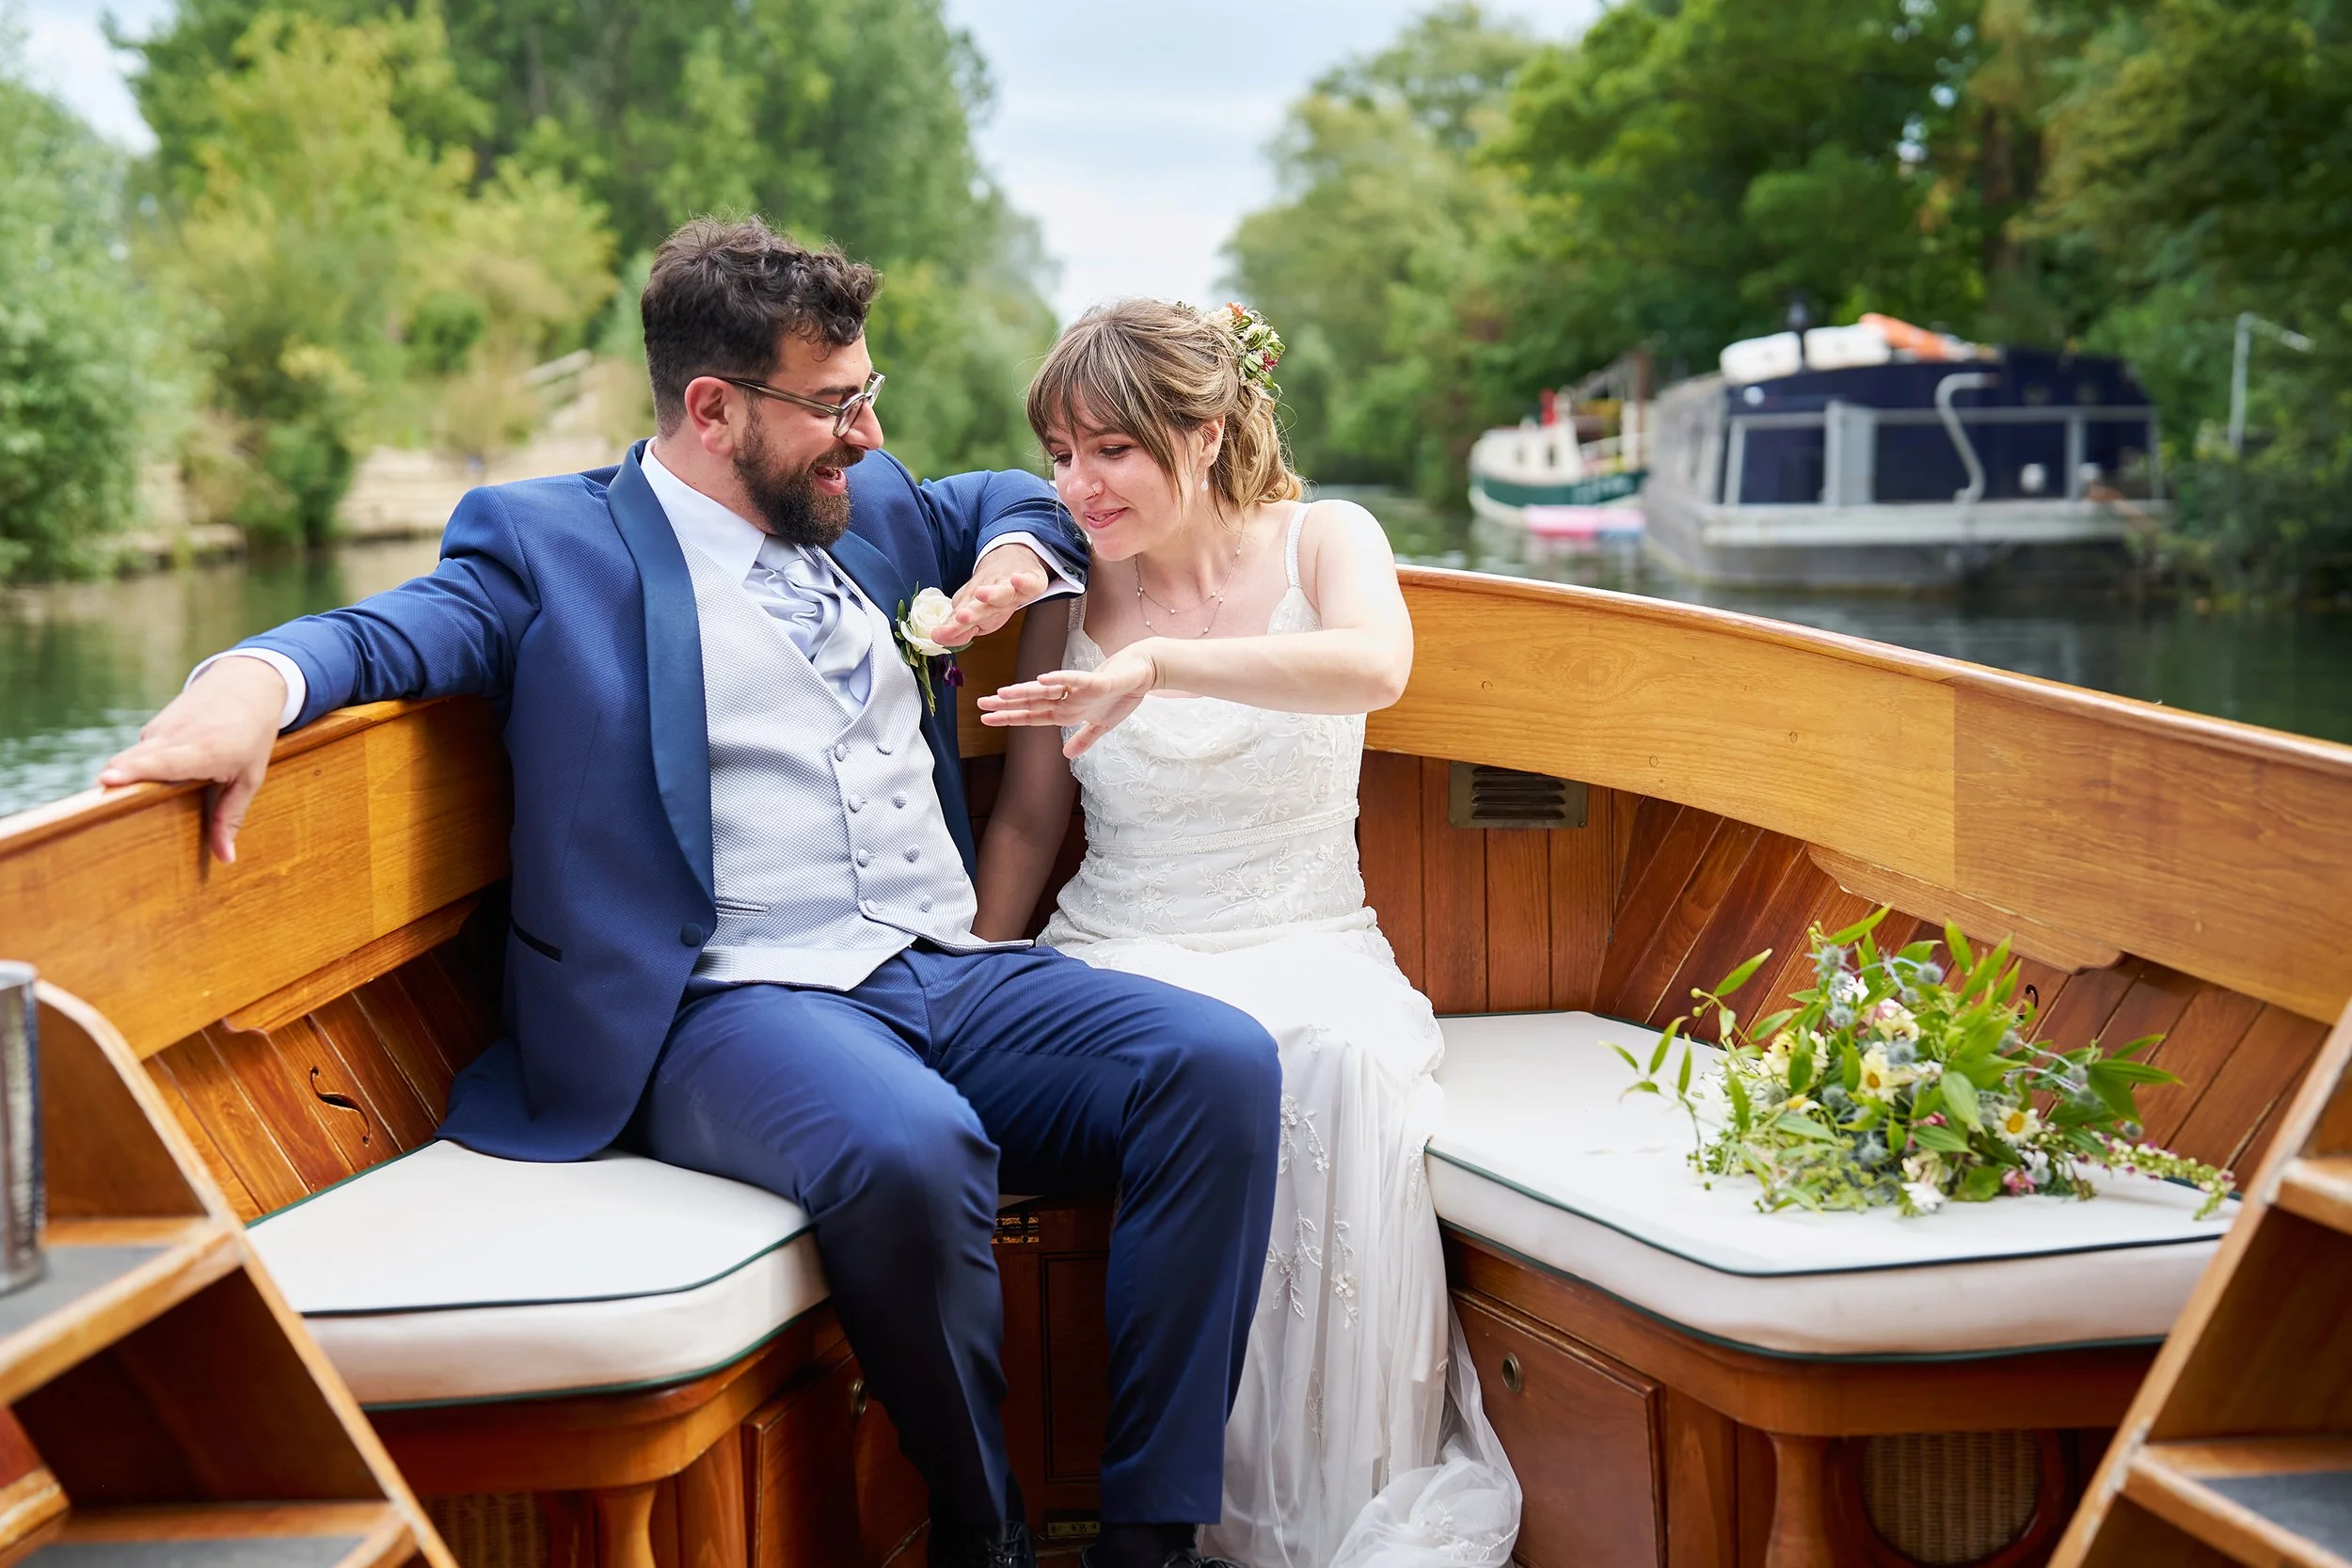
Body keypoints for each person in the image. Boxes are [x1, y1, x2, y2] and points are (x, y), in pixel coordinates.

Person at [98, 220, 1280, 1568]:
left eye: (871, 393)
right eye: (839, 406)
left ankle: (1151, 1540)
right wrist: (246, 684)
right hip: (727, 1003)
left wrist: (1013, 567)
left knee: (1218, 1064)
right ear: (714, 409)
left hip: (942, 966)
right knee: (910, 1147)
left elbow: (1009, 495)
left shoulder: (874, 507)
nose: (873, 435)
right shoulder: (551, 543)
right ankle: (983, 1529)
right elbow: (387, 632)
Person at [973, 299, 1520, 1568]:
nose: (1076, 483)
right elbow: (1024, 822)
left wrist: (1158, 666)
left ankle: (1318, 1516)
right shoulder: (1063, 589)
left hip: (1309, 929)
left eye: (1108, 448)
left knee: (1337, 1061)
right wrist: (967, 981)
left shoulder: (1329, 537)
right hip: (1121, 939)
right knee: (1204, 1056)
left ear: (1204, 433)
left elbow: (1375, 666)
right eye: (1059, 451)